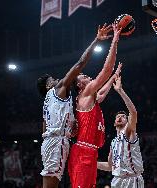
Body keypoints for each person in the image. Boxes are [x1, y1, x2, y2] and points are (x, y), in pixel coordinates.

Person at [37, 23, 112, 188]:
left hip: (56, 141)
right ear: (49, 86)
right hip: (56, 142)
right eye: (53, 80)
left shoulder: (49, 102)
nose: (58, 80)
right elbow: (80, 63)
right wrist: (96, 40)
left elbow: (44, 127)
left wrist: (69, 126)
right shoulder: (58, 89)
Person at [68, 23, 122, 188]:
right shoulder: (84, 95)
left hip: (89, 153)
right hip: (83, 152)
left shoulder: (90, 99)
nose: (87, 76)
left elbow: (103, 92)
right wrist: (115, 42)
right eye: (83, 76)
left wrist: (113, 77)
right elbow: (105, 71)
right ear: (80, 85)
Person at [97, 75, 144, 188]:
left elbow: (133, 112)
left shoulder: (129, 132)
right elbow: (109, 166)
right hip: (117, 180)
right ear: (114, 123)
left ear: (128, 122)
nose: (120, 117)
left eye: (123, 116)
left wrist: (120, 91)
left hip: (132, 179)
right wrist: (92, 163)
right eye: (117, 117)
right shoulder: (113, 142)